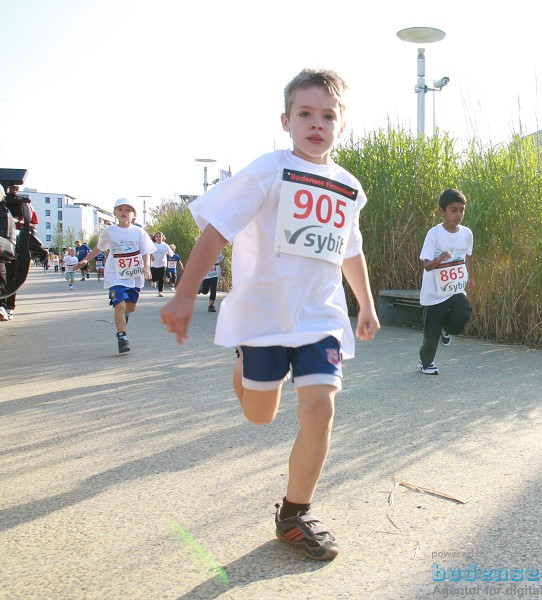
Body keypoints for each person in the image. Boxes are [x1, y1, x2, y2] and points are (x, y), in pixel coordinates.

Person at [160, 68, 380, 561]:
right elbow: (216, 231)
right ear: (286, 120)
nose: (316, 123)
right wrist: (184, 296)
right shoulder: (267, 169)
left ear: (341, 126)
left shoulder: (348, 186)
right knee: (261, 415)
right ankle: (245, 366)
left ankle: (294, 514)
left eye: (328, 115)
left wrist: (365, 305)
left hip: (320, 318)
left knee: (320, 409)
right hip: (263, 319)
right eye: (305, 113)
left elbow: (350, 250)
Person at [76, 198, 154, 353]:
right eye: (120, 209)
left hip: (134, 275)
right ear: (115, 213)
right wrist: (85, 260)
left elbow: (146, 251)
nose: (124, 212)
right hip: (115, 274)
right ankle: (122, 337)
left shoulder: (139, 232)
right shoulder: (109, 232)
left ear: (134, 215)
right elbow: (99, 248)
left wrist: (146, 266)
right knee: (119, 304)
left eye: (128, 210)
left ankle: (122, 318)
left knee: (130, 307)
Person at [417, 188, 474, 375]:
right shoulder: (434, 234)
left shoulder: (466, 233)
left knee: (463, 315)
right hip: (435, 292)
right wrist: (439, 259)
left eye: (462, 210)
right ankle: (426, 363)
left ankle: (447, 329)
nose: (459, 214)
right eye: (453, 210)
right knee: (430, 333)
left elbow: (468, 256)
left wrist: (471, 277)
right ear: (443, 211)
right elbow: (426, 266)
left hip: (456, 288)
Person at [149, 232, 172, 297]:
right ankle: (153, 281)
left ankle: (160, 291)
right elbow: (148, 252)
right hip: (154, 264)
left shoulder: (165, 245)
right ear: (155, 238)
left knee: (161, 278)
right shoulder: (153, 245)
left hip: (162, 264)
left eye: (160, 236)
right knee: (154, 277)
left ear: (162, 238)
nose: (159, 238)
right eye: (157, 236)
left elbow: (170, 252)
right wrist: (151, 256)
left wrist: (170, 254)